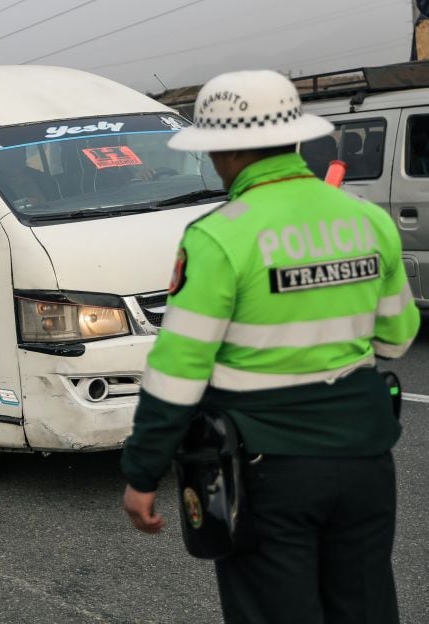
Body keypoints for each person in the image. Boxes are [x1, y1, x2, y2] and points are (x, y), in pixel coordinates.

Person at [119, 70, 420, 624]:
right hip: (364, 459)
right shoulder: (368, 219)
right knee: (365, 605)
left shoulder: (218, 236)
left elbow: (177, 372)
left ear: (224, 153)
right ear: (296, 137)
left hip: (268, 468)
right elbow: (398, 339)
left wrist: (142, 472)